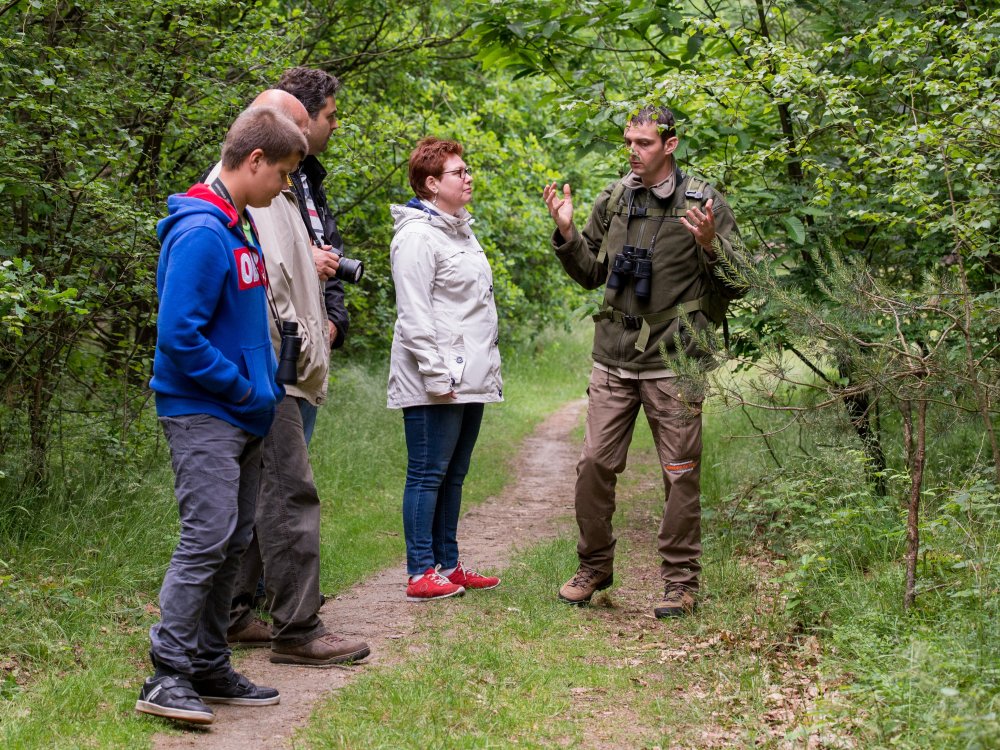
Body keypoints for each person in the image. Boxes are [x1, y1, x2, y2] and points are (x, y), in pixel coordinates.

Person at [137, 107, 306, 725]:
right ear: (254, 161)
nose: (285, 187)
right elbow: (178, 336)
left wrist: (261, 390)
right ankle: (167, 672)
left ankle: (208, 662)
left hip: (245, 411)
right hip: (204, 411)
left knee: (234, 539)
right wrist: (241, 388)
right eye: (284, 174)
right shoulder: (202, 232)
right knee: (206, 535)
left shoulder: (240, 226)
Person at [542, 105, 746, 618]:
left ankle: (680, 582)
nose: (633, 150)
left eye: (644, 142)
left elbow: (741, 283)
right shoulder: (612, 198)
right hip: (613, 357)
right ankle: (594, 566)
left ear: (670, 145)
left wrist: (711, 246)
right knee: (593, 465)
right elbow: (591, 272)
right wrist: (566, 234)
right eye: (628, 141)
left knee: (679, 472)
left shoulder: (704, 203)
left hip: (675, 362)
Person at [211, 90, 370, 667]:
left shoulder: (266, 185)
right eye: (289, 157)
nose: (292, 172)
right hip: (267, 366)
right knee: (289, 493)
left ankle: (231, 615)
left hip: (275, 360)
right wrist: (290, 353)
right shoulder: (238, 195)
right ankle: (298, 629)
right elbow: (264, 283)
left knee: (258, 495)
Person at [388, 137, 504, 602]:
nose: (468, 176)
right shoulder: (415, 236)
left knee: (454, 474)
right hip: (435, 381)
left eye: (467, 169)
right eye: (459, 172)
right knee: (427, 473)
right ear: (432, 184)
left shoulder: (461, 231)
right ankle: (420, 571)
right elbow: (414, 315)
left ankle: (448, 565)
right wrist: (438, 379)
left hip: (470, 377)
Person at [275, 66, 353, 444]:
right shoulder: (269, 179)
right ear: (305, 118)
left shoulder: (308, 177)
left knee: (295, 470)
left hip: (311, 344)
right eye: (331, 116)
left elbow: (330, 255)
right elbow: (268, 260)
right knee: (280, 477)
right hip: (282, 348)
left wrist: (335, 321)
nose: (336, 124)